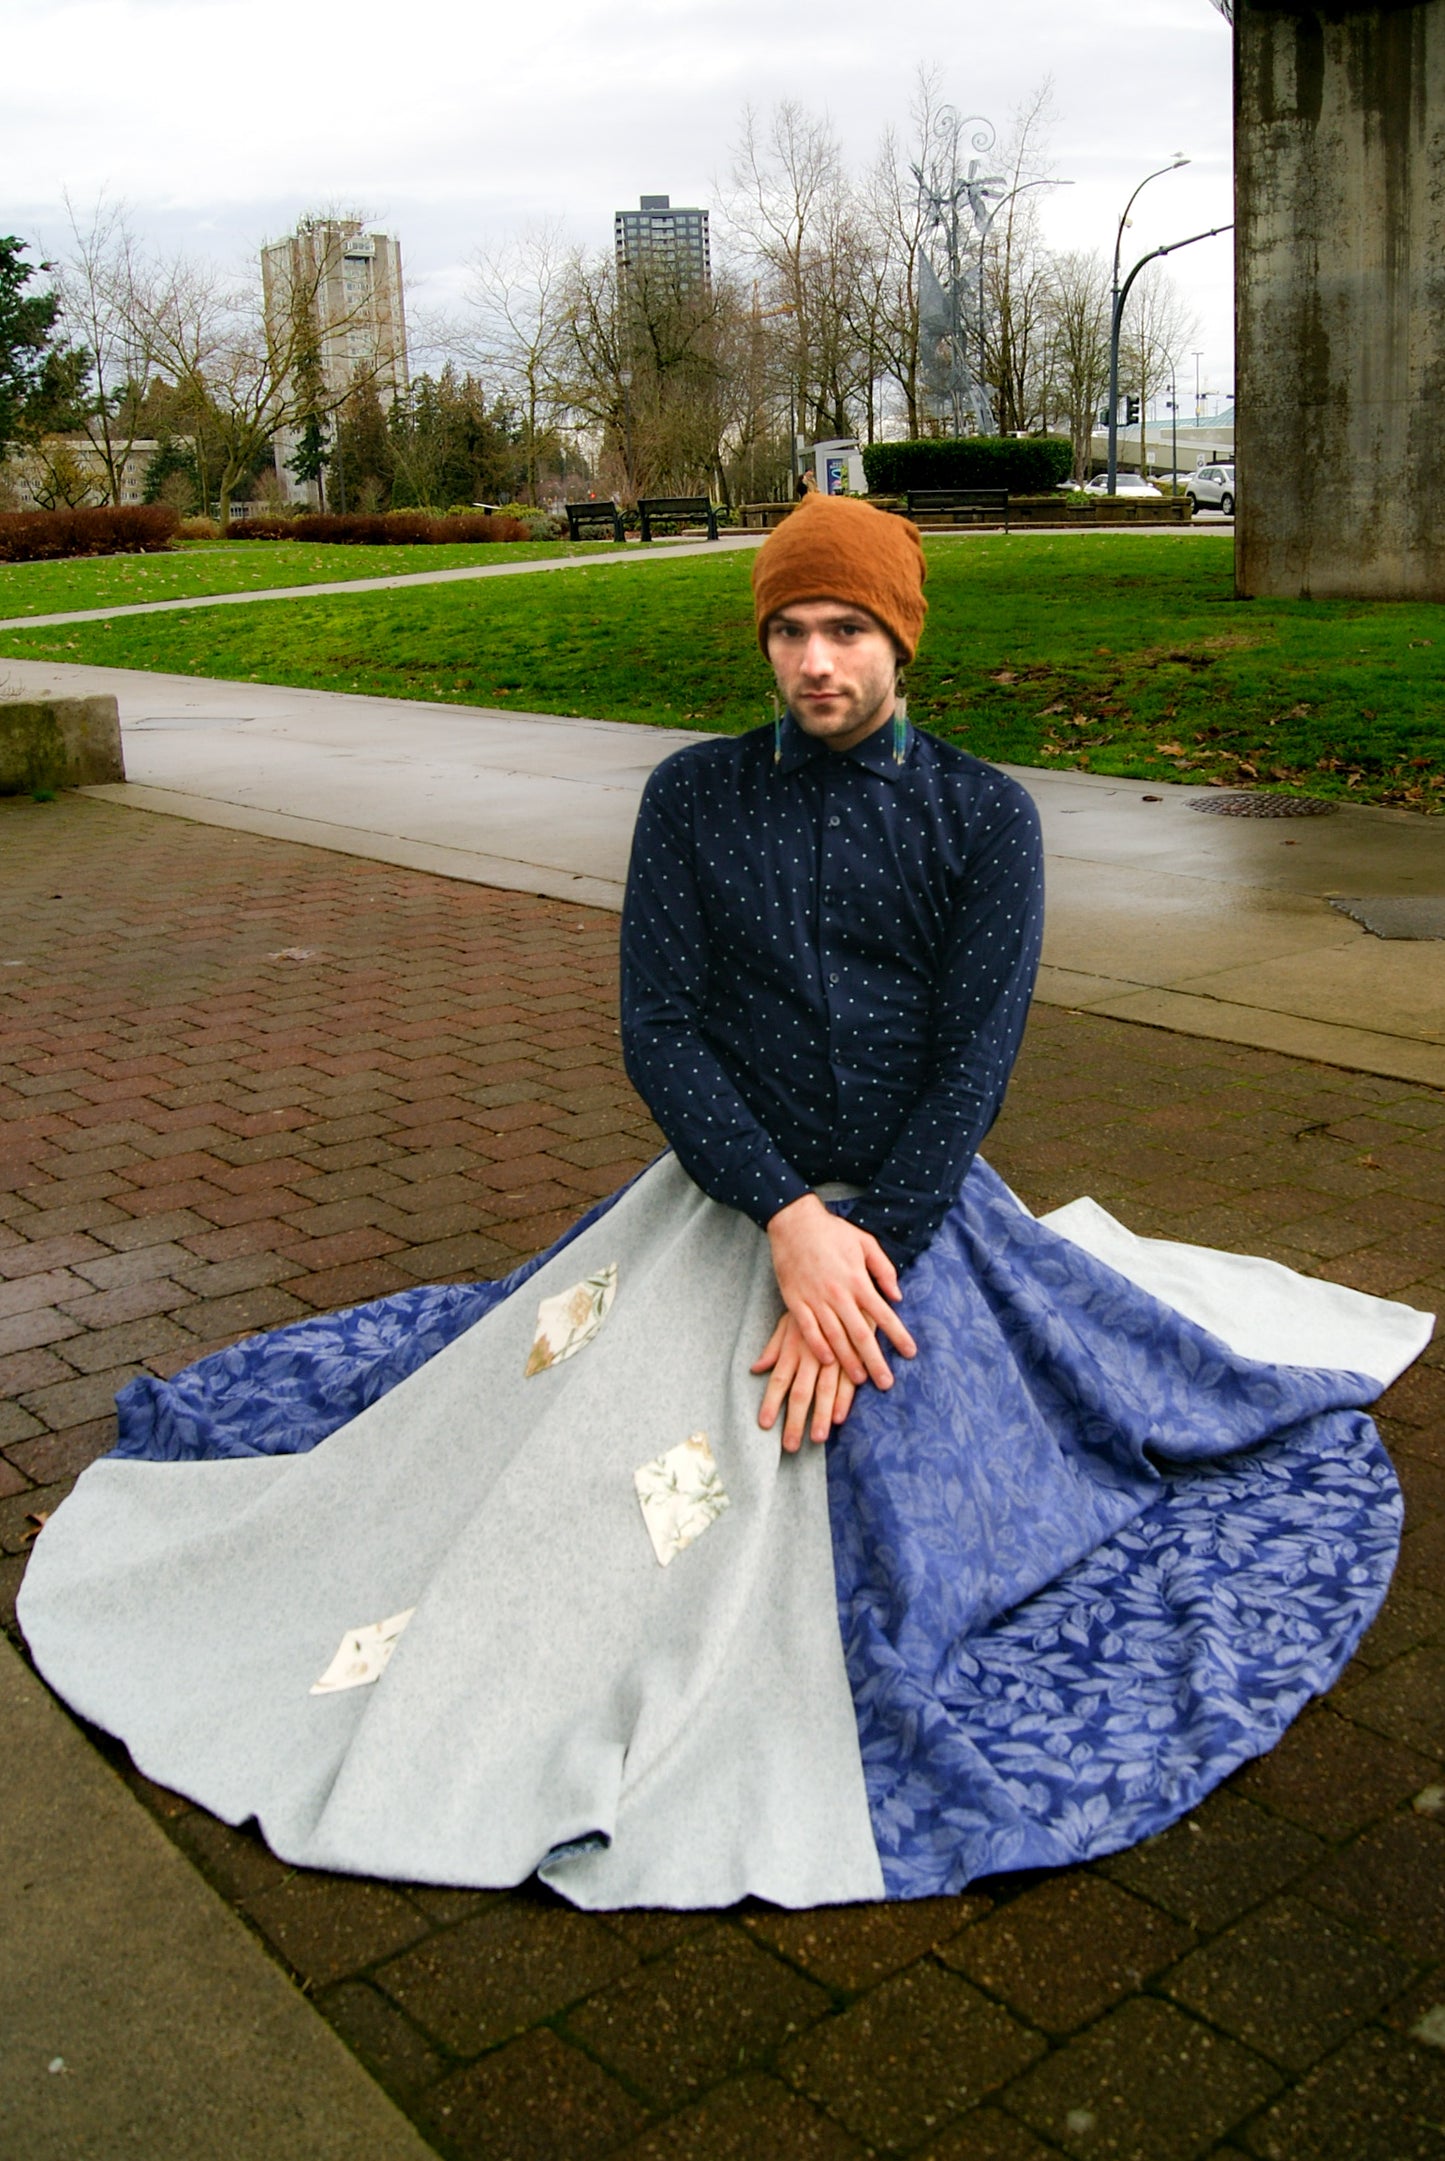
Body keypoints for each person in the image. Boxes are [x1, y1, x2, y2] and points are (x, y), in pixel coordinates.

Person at [18, 497, 1432, 1912]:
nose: (816, 660)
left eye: (847, 628)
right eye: (789, 629)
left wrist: (858, 1252)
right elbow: (663, 1031)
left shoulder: (984, 817)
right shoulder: (691, 798)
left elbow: (972, 1059)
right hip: (721, 1206)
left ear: (901, 639)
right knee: (550, 1487)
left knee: (917, 1458)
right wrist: (786, 1220)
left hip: (914, 1217)